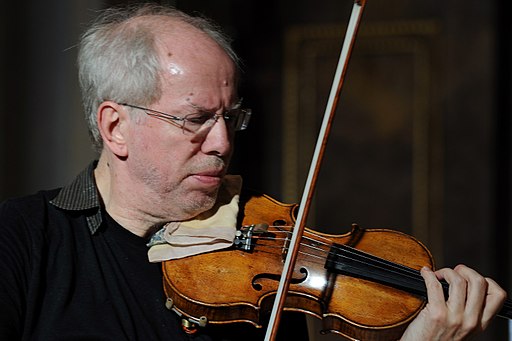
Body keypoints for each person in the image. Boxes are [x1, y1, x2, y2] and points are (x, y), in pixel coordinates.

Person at [0, 3, 507, 340]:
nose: (221, 144)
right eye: (195, 120)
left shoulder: (267, 269)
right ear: (116, 127)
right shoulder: (20, 242)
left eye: (230, 118)